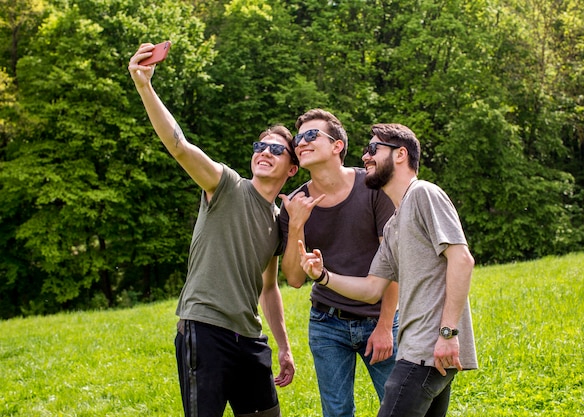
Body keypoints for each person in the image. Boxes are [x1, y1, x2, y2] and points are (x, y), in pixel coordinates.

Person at [128, 42, 298, 417]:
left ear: (292, 169)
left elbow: (269, 288)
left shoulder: (276, 222)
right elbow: (179, 147)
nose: (264, 152)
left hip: (249, 338)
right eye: (260, 145)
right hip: (204, 330)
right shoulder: (226, 185)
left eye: (276, 149)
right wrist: (145, 86)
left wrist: (283, 347)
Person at [298, 123, 478, 417]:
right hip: (421, 350)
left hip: (428, 349)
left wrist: (447, 334)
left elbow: (462, 260)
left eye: (373, 149)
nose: (365, 157)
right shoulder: (394, 223)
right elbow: (371, 289)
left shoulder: (424, 194)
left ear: (400, 154)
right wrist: (322, 276)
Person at [278, 109, 399, 417]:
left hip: (379, 319)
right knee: (337, 413)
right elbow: (293, 278)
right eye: (298, 138)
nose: (301, 143)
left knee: (402, 408)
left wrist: (386, 326)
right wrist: (296, 225)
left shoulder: (373, 188)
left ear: (337, 146)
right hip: (326, 323)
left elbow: (394, 264)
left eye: (311, 135)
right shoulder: (294, 204)